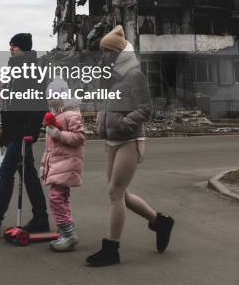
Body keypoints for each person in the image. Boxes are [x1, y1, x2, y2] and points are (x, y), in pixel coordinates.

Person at [86, 25, 174, 267]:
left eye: (105, 51)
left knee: (115, 193)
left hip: (131, 139)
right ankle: (159, 222)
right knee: (120, 194)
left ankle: (111, 249)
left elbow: (146, 109)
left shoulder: (135, 74)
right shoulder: (111, 74)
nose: (102, 55)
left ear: (116, 51)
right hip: (111, 140)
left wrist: (125, 122)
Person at [0, 33, 49, 238]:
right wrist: (5, 133)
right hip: (13, 132)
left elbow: (39, 104)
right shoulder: (15, 68)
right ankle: (41, 218)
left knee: (6, 172)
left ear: (23, 48)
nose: (11, 48)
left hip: (23, 134)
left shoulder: (33, 70)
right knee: (28, 175)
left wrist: (30, 132)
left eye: (14, 46)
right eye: (10, 45)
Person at [41, 78, 85, 251]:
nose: (50, 99)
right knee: (62, 198)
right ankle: (66, 230)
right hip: (58, 164)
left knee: (56, 198)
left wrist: (59, 134)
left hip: (67, 163)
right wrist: (44, 165)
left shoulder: (71, 114)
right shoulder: (55, 116)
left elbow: (79, 137)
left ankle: (69, 234)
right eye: (49, 96)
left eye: (53, 96)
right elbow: (49, 147)